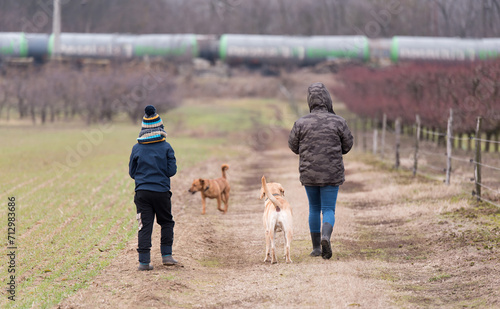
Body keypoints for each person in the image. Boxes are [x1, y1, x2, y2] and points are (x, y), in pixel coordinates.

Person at [288, 82, 353, 260]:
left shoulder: (301, 123)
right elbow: (347, 146)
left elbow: (293, 146)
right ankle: (326, 236)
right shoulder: (339, 121)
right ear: (327, 99)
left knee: (314, 208)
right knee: (328, 209)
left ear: (310, 100)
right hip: (332, 173)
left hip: (309, 174)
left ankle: (316, 248)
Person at [129, 105, 178, 270]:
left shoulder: (136, 148)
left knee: (144, 225)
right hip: (162, 192)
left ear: (143, 129)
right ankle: (167, 255)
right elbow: (172, 171)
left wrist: (144, 178)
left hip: (142, 192)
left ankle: (144, 262)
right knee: (166, 222)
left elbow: (132, 172)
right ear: (160, 128)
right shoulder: (166, 147)